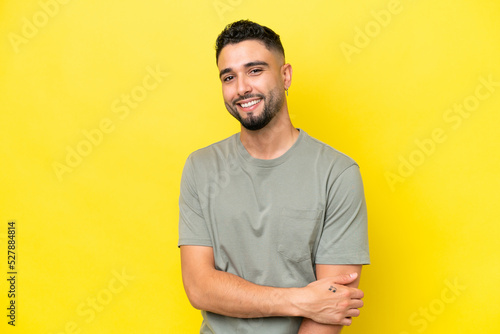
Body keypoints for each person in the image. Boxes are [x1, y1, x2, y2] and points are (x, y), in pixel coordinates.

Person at [178, 20, 370, 334]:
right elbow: (199, 288)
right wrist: (300, 300)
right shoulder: (201, 167)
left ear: (285, 75)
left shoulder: (337, 174)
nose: (241, 88)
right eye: (229, 77)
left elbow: (333, 306)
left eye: (255, 70)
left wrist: (312, 304)